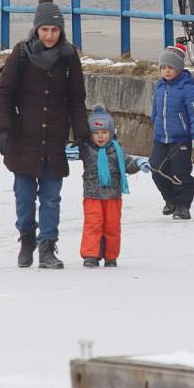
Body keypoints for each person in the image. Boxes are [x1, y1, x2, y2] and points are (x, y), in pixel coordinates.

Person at [0, 0, 89, 269]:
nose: (49, 35)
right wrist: (3, 130)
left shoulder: (69, 57)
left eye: (54, 30)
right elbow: (4, 94)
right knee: (24, 197)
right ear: (36, 29)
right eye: (45, 29)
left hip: (54, 141)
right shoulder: (21, 54)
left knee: (50, 197)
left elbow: (76, 100)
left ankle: (48, 246)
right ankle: (27, 238)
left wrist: (81, 135)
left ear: (61, 31)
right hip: (24, 140)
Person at [68, 104, 150, 268]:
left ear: (111, 133)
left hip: (113, 196)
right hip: (92, 196)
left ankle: (110, 256)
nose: (100, 137)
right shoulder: (86, 149)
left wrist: (138, 163)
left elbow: (128, 164)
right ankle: (91, 254)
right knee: (93, 224)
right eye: (96, 133)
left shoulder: (117, 150)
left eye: (104, 133)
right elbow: (71, 152)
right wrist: (69, 151)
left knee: (112, 226)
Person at [149, 44, 194, 220]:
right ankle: (170, 199)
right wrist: (154, 123)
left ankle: (182, 206)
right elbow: (156, 110)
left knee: (179, 171)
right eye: (163, 68)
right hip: (161, 137)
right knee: (157, 168)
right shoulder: (159, 86)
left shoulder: (187, 88)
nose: (166, 71)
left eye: (171, 68)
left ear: (179, 69)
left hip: (181, 138)